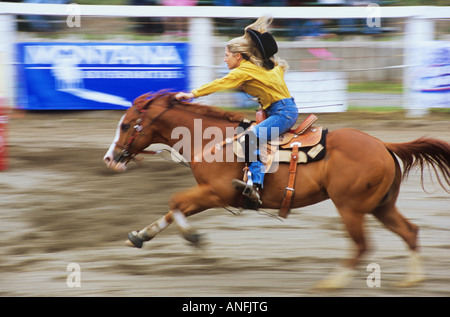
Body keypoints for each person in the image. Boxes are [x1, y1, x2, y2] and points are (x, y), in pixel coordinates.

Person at [175, 16, 298, 208]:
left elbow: (220, 83)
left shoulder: (243, 71)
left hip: (282, 113)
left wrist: (192, 93)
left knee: (249, 138)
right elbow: (276, 73)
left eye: (226, 55)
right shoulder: (267, 66)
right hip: (284, 110)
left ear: (238, 56)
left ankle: (255, 184)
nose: (224, 60)